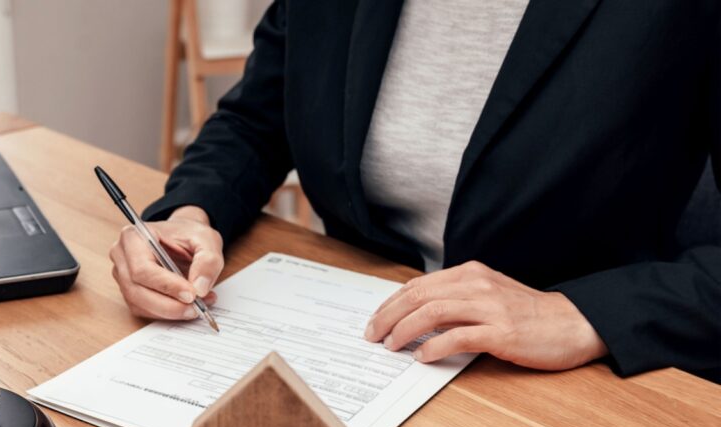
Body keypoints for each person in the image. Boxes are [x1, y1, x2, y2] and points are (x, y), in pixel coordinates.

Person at [109, 1, 721, 381]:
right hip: (359, 352)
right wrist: (190, 213)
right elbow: (257, 118)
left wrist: (579, 314)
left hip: (575, 393)